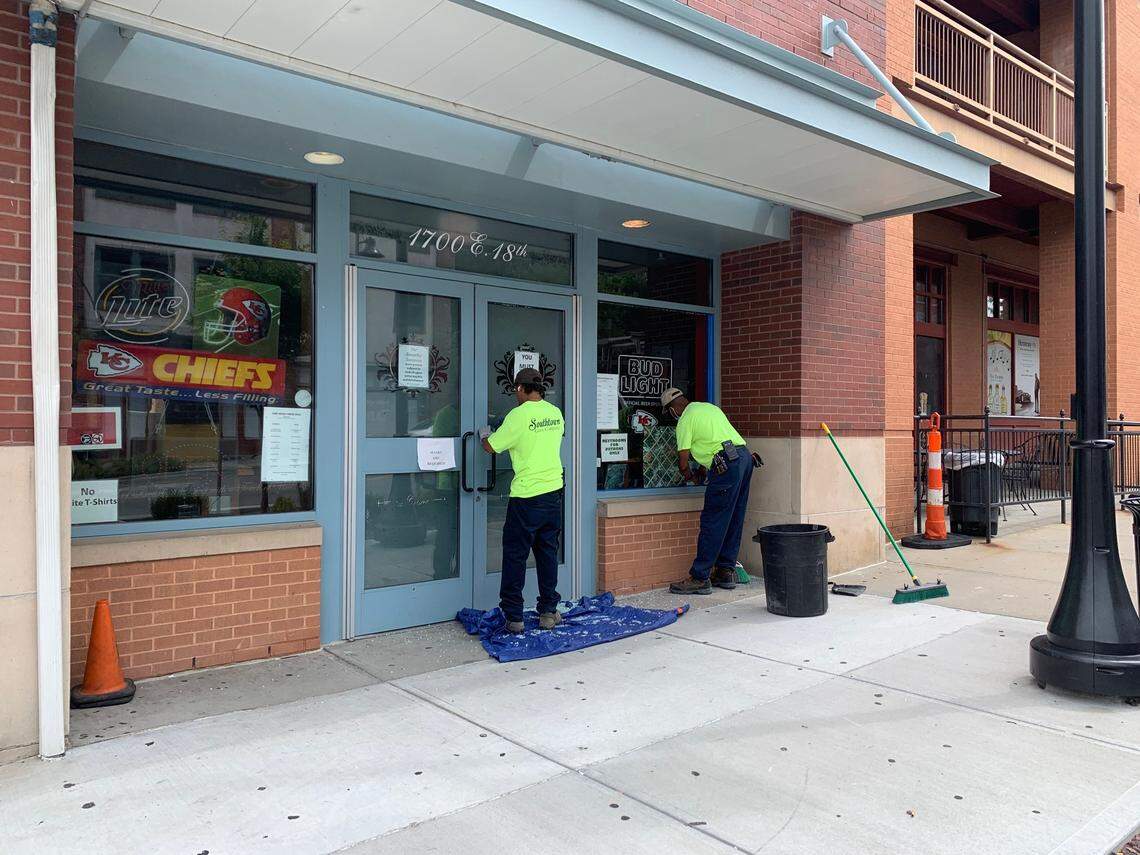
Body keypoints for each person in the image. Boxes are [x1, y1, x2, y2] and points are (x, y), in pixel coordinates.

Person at [482, 368, 565, 633]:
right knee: (547, 552)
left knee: (516, 555)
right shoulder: (555, 413)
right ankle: (548, 611)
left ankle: (514, 617)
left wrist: (484, 434)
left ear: (520, 388)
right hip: (553, 492)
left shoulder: (517, 416)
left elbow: (492, 446)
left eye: (515, 390)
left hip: (526, 496)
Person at [660, 387, 752, 595]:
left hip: (726, 464)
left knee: (713, 520)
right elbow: (714, 443)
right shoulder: (709, 408)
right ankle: (725, 571)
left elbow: (683, 461)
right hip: (744, 458)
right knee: (734, 517)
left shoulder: (685, 420)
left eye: (670, 412)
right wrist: (704, 469)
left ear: (673, 409)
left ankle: (700, 577)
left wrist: (689, 476)